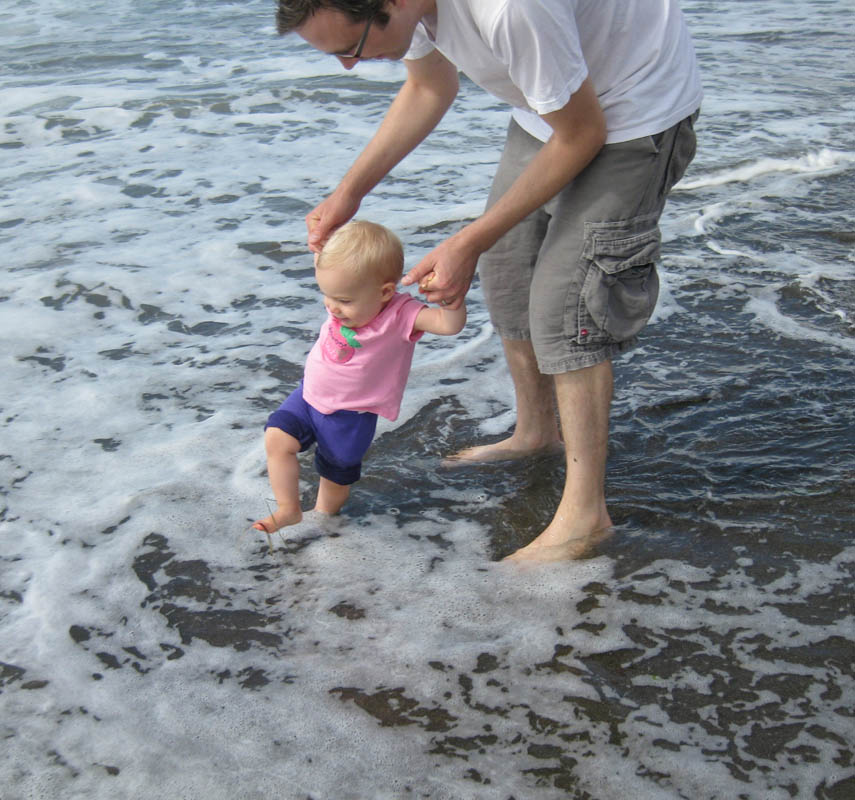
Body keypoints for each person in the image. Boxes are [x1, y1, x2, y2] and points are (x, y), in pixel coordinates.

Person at [274, 0, 703, 561]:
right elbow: (430, 87)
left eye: (349, 50)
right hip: (549, 110)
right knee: (508, 268)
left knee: (565, 304)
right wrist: (350, 190)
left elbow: (583, 132)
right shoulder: (414, 11)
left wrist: (467, 240)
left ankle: (585, 516)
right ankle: (536, 432)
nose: (350, 68)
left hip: (632, 109)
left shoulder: (510, 9)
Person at [253, 219, 466, 534]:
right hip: (308, 395)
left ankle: (324, 521)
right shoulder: (344, 287)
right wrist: (322, 236)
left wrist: (451, 298)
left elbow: (449, 326)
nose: (332, 307)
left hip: (350, 417)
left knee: (335, 478)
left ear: (384, 292)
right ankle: (289, 509)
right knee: (276, 438)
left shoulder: (401, 314)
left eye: (343, 301)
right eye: (328, 295)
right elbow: (328, 262)